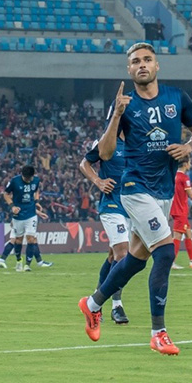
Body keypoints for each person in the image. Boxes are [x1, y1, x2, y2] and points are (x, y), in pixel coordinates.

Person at [78, 42, 192, 356]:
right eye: (135, 61)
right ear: (129, 69)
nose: (142, 65)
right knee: (165, 252)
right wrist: (117, 115)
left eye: (147, 60)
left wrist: (188, 147)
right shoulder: (125, 104)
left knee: (136, 259)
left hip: (163, 190)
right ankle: (158, 333)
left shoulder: (177, 98)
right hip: (135, 188)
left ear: (157, 65)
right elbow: (105, 153)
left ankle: (92, 304)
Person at [79, 137, 130, 324]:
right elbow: (84, 163)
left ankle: (95, 301)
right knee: (122, 254)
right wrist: (98, 181)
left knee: (113, 256)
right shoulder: (107, 141)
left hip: (133, 206)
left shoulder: (138, 139)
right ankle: (117, 306)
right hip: (112, 205)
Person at [0, 166, 51, 272]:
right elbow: (6, 194)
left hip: (31, 215)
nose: (29, 180)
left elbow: (36, 191)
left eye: (30, 178)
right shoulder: (15, 181)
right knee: (18, 240)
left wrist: (36, 202)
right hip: (18, 215)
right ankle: (18, 261)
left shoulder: (36, 180)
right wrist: (12, 206)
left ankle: (27, 265)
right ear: (23, 175)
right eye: (27, 178)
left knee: (31, 238)